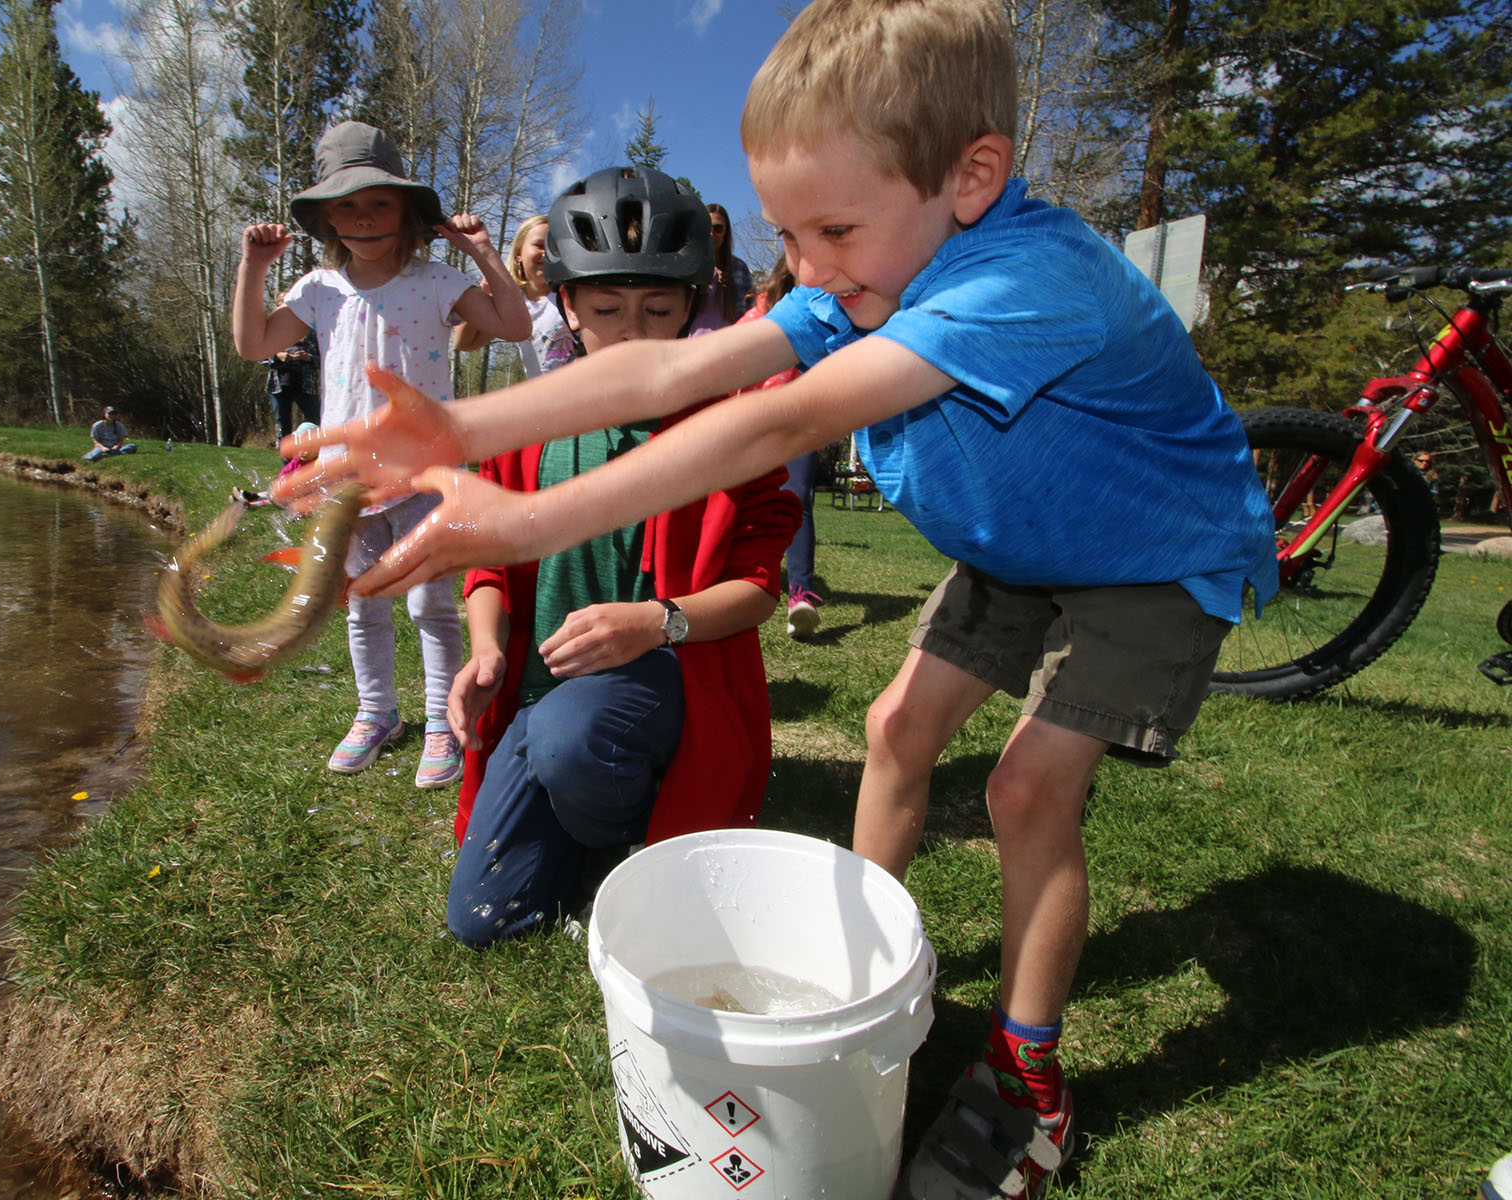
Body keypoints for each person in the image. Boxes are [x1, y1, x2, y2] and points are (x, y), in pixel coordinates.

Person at [277, 2, 1280, 1195]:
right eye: (787, 234)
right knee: (895, 731)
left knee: (1022, 790)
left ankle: (1029, 1081)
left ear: (972, 179)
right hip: (1021, 539)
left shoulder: (1031, 280)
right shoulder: (861, 264)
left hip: (1149, 553)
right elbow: (675, 367)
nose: (806, 270)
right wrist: (458, 426)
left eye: (834, 229)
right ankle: (865, 982)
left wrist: (529, 520)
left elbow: (784, 417)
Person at [444, 165, 799, 946]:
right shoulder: (529, 426)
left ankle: (629, 843)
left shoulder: (731, 431)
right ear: (566, 305)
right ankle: (581, 826)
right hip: (539, 701)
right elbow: (487, 562)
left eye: (657, 307)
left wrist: (656, 622)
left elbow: (759, 586)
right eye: (606, 308)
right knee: (485, 921)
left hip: (666, 685)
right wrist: (484, 650)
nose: (632, 330)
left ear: (691, 307)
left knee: (574, 734)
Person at [231, 120, 530, 790]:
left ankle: (436, 723)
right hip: (347, 479)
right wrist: (254, 266)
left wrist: (483, 253)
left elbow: (512, 323)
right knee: (362, 599)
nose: (363, 217)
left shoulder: (436, 281)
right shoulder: (317, 289)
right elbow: (253, 343)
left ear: (405, 210)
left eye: (379, 202)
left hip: (424, 470)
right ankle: (375, 713)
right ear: (326, 218)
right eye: (346, 205)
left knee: (428, 602)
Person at [737, 257, 822, 637]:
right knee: (744, 502)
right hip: (754, 422)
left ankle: (800, 594)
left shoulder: (828, 313)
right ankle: (740, 579)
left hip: (800, 419)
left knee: (798, 497)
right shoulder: (760, 313)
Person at [453, 214, 575, 377]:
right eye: (539, 245)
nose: (547, 253)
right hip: (543, 397)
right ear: (519, 254)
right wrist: (483, 292)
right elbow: (465, 342)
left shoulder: (574, 294)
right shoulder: (512, 304)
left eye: (555, 247)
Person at [686, 202, 755, 336]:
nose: (712, 233)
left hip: (729, 345)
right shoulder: (689, 266)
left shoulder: (739, 268)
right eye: (707, 227)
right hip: (692, 344)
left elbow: (750, 312)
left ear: (725, 233)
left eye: (718, 228)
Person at [264, 302, 321, 449]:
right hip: (279, 385)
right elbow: (259, 355)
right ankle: (287, 467)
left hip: (305, 385)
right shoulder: (273, 332)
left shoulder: (310, 331)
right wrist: (279, 356)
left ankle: (316, 458)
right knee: (283, 426)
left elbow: (323, 359)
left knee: (318, 422)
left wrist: (308, 358)